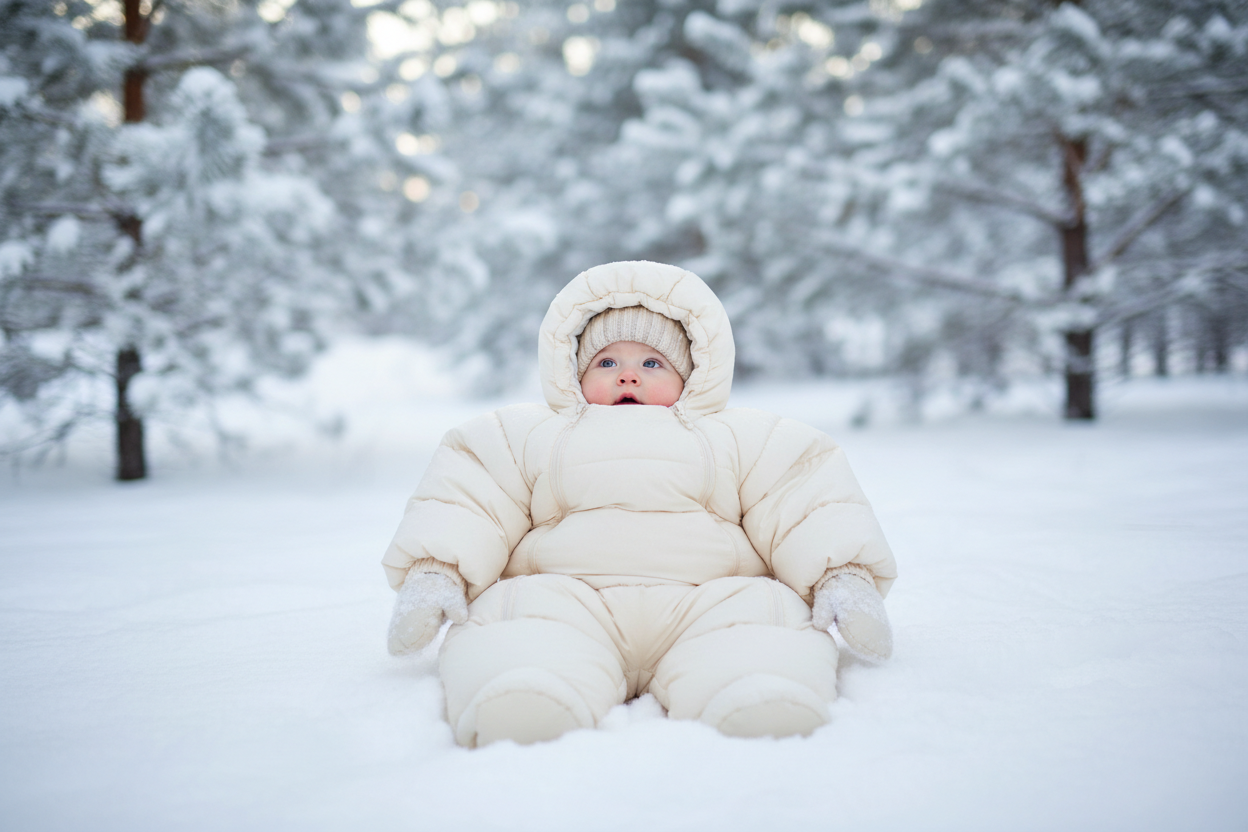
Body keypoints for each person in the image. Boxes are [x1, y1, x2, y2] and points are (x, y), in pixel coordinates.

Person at [382, 261, 897, 748]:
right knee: (517, 622)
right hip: (568, 596)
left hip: (710, 599)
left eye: (652, 363)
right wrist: (437, 570)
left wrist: (843, 574)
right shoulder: (528, 434)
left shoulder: (739, 436)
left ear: (695, 371)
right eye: (607, 362)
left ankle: (755, 690)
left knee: (762, 620)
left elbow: (802, 494)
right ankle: (529, 691)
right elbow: (473, 494)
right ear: (571, 370)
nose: (628, 377)